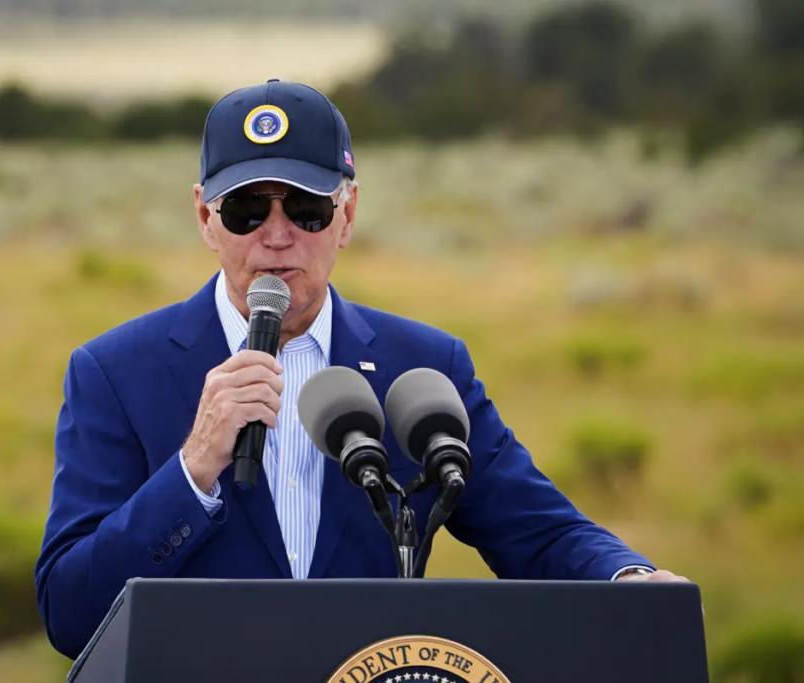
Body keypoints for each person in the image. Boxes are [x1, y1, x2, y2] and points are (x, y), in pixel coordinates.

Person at [34, 79, 690, 660]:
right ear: (206, 218)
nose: (277, 234)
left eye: (307, 208)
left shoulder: (425, 366)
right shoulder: (115, 372)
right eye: (247, 210)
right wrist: (192, 469)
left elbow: (538, 529)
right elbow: (70, 611)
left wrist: (628, 580)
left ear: (346, 215)